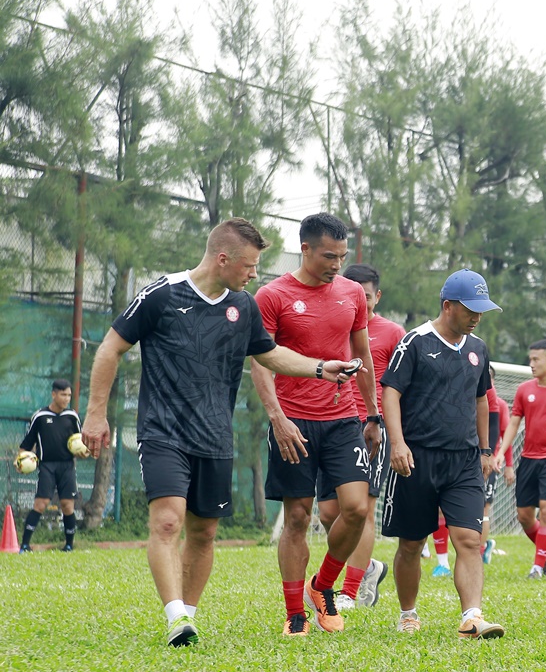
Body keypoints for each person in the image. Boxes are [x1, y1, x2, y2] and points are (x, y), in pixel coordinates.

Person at [80, 217, 360, 646]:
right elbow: (110, 348)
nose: (254, 275)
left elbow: (271, 355)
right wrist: (95, 414)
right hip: (163, 432)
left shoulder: (243, 306)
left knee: (204, 532)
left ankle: (188, 618)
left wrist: (322, 369)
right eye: (249, 266)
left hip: (214, 436)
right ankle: (176, 617)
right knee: (168, 521)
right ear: (223, 259)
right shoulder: (162, 294)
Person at [251, 213, 379, 637]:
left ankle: (322, 586)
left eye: (342, 256)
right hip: (293, 422)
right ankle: (295, 614)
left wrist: (373, 414)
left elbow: (362, 355)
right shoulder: (273, 295)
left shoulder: (351, 293)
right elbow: (261, 362)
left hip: (343, 419)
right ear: (304, 249)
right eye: (329, 256)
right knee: (297, 517)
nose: (337, 265)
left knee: (356, 509)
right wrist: (277, 418)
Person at [379, 268, 505, 639]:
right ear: (448, 305)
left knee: (469, 540)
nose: (477, 317)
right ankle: (408, 614)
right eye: (470, 309)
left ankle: (472, 617)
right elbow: (391, 393)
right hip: (416, 459)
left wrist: (485, 449)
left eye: (481, 310)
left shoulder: (478, 348)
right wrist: (397, 443)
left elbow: (482, 400)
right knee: (411, 544)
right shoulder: (414, 342)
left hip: (464, 461)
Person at [315, 263, 407, 611]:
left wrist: (393, 429)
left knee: (363, 509)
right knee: (328, 513)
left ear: (376, 296)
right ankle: (368, 567)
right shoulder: (330, 325)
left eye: (365, 296)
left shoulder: (393, 333)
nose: (358, 301)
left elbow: (403, 387)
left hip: (372, 427)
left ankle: (350, 591)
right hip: (332, 423)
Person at [497, 339, 546, 579]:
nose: (532, 364)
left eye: (536, 359)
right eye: (530, 359)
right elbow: (513, 424)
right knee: (524, 516)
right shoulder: (524, 390)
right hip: (528, 459)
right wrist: (500, 452)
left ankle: (537, 567)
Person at [18, 379, 81, 553]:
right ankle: (25, 545)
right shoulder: (40, 416)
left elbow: (80, 441)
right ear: (54, 394)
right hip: (46, 466)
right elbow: (26, 444)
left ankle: (69, 545)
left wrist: (83, 451)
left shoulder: (72, 416)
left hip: (67, 466)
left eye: (69, 395)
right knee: (41, 503)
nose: (66, 398)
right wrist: (20, 461)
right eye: (63, 394)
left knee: (67, 505)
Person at [481, 374, 514, 563]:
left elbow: (505, 436)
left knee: (483, 507)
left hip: (489, 463)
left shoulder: (499, 405)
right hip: (467, 459)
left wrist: (509, 465)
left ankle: (481, 550)